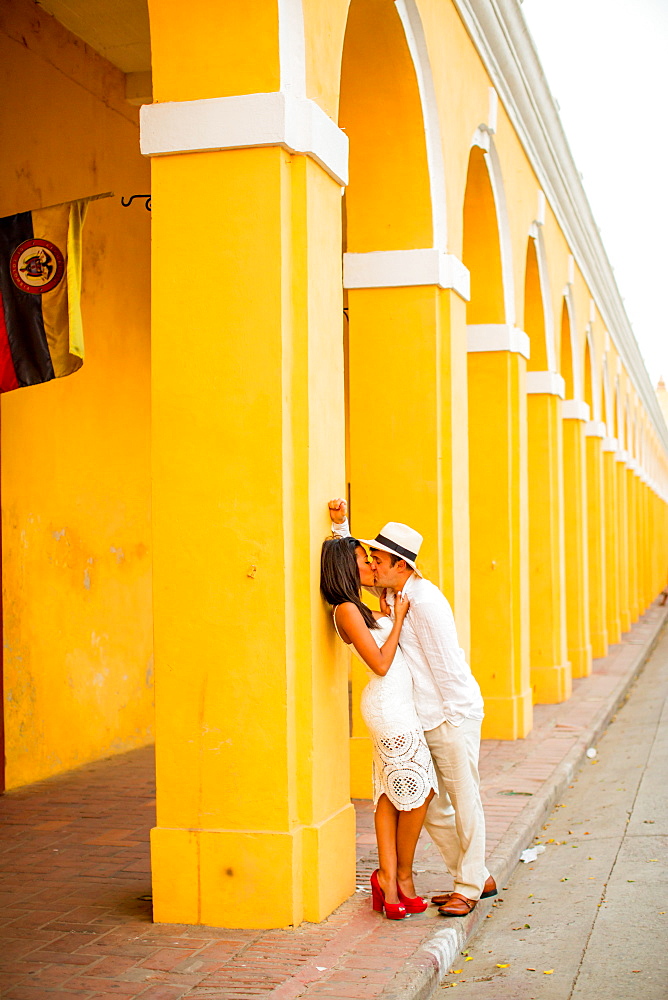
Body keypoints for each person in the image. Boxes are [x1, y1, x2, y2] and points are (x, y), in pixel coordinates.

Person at [328, 499, 497, 917]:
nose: (372, 565)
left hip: (450, 714)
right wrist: (340, 527)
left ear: (401, 565)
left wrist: (458, 722)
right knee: (434, 807)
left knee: (464, 800)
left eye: (379, 559)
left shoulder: (425, 601)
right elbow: (346, 573)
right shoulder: (390, 591)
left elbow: (448, 667)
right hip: (420, 716)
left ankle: (470, 887)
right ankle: (476, 873)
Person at [320, 535, 438, 920]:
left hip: (398, 705)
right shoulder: (346, 610)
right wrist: (398, 619)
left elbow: (357, 562)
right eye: (363, 559)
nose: (372, 564)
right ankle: (400, 876)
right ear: (346, 567)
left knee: (390, 793)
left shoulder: (359, 605)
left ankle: (388, 880)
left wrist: (341, 524)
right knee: (419, 794)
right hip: (389, 709)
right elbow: (380, 665)